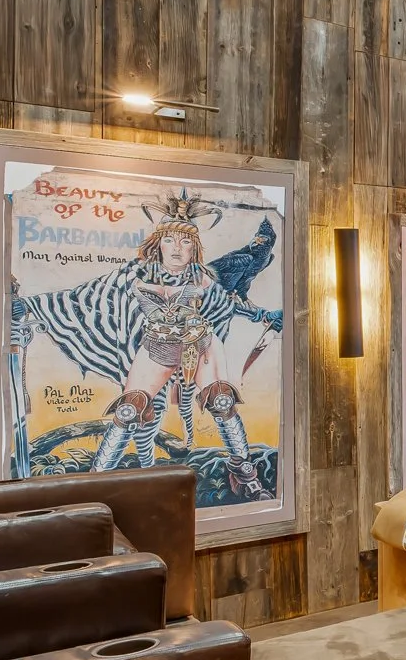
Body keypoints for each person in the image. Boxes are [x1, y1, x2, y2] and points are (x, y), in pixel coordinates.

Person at [83, 199, 281, 498]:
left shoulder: (204, 277)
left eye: (185, 241)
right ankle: (96, 483)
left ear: (194, 247)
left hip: (199, 343)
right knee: (129, 409)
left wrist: (264, 315)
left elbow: (229, 305)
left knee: (222, 400)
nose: (177, 247)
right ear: (158, 243)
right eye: (169, 240)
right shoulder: (135, 275)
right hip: (157, 345)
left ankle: (244, 474)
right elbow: (92, 298)